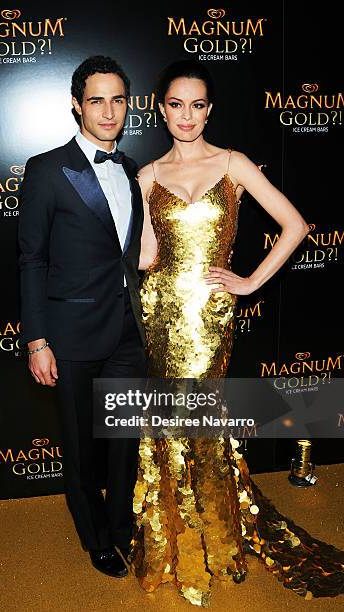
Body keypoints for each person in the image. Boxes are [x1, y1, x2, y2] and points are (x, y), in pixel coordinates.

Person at [130, 59, 344, 606]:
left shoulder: (233, 164)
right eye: (176, 104)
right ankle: (173, 538)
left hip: (210, 316)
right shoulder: (148, 176)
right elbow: (147, 257)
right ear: (159, 108)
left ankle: (217, 535)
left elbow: (295, 225)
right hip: (161, 312)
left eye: (197, 105)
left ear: (210, 109)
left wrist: (249, 282)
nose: (187, 116)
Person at [18, 56, 146, 579]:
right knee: (80, 447)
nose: (108, 110)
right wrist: (36, 340)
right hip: (68, 335)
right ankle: (94, 538)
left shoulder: (133, 168)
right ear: (77, 105)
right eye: (97, 100)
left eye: (117, 99)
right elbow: (32, 259)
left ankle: (120, 528)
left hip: (126, 332)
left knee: (122, 444)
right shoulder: (47, 169)